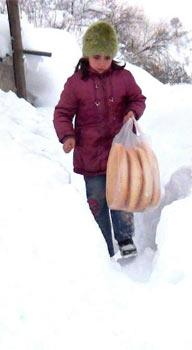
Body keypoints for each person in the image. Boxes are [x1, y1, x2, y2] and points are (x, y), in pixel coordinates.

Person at [53, 21, 146, 258]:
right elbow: (63, 113)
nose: (102, 63)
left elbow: (138, 99)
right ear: (86, 55)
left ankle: (125, 238)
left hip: (119, 152)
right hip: (90, 155)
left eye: (107, 57)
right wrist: (68, 135)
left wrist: (132, 112)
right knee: (96, 203)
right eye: (96, 57)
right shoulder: (76, 84)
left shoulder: (124, 77)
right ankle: (102, 244)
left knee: (121, 196)